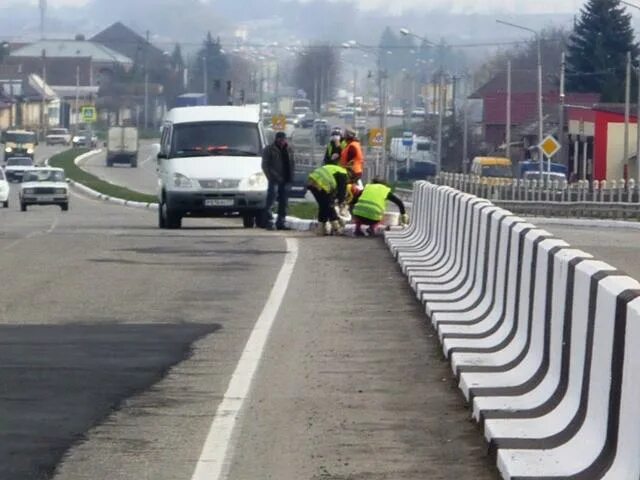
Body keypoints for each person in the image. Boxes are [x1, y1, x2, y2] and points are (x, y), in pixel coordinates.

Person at [307, 158, 349, 235]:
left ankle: (321, 229)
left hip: (312, 182)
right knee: (329, 205)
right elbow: (342, 192)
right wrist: (340, 202)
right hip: (322, 184)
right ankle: (337, 228)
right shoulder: (343, 173)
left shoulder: (335, 169)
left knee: (323, 206)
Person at [261, 131, 294, 230]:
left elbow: (292, 163)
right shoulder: (269, 149)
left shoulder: (289, 149)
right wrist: (272, 176)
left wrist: (291, 177)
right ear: (276, 139)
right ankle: (269, 221)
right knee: (271, 200)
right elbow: (265, 165)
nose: (282, 141)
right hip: (274, 179)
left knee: (284, 202)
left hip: (286, 179)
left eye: (284, 139)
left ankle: (281, 222)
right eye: (280, 139)